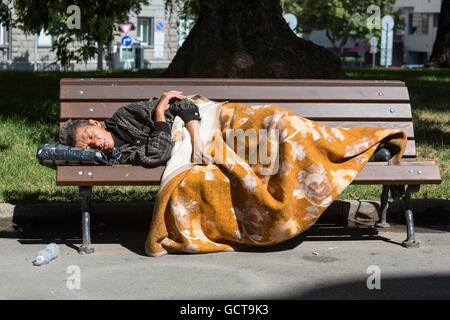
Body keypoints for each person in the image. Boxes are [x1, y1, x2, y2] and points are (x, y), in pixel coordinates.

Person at [59, 90, 211, 167]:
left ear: (95, 123)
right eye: (91, 148)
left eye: (91, 136)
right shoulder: (122, 155)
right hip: (197, 147)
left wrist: (196, 141)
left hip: (201, 124)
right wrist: (159, 114)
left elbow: (181, 103)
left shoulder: (127, 115)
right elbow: (158, 155)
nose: (97, 144)